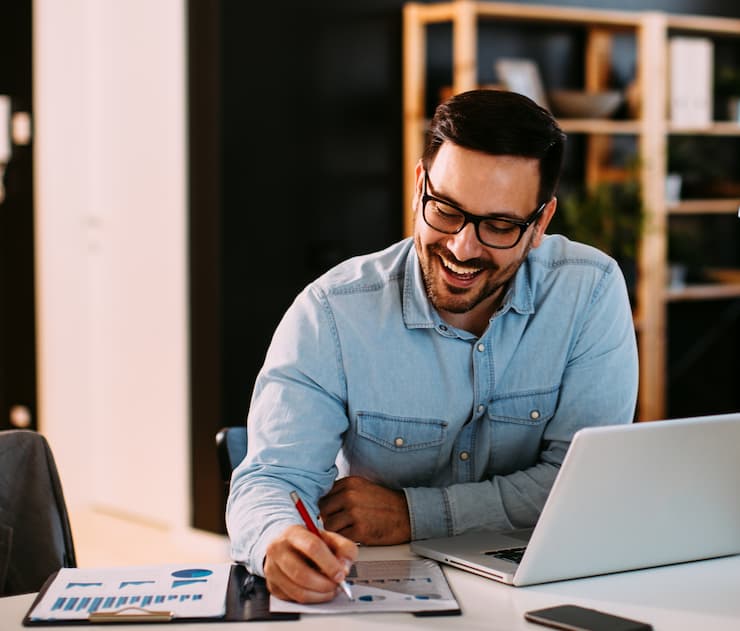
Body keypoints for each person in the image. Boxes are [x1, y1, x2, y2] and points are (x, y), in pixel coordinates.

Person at [226, 89, 638, 603]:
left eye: (500, 225)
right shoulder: (331, 313)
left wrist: (411, 514)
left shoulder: (589, 291)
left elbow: (578, 484)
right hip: (382, 596)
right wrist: (277, 541)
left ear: (540, 224)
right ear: (420, 185)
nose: (463, 247)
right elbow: (270, 479)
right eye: (445, 209)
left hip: (539, 592)